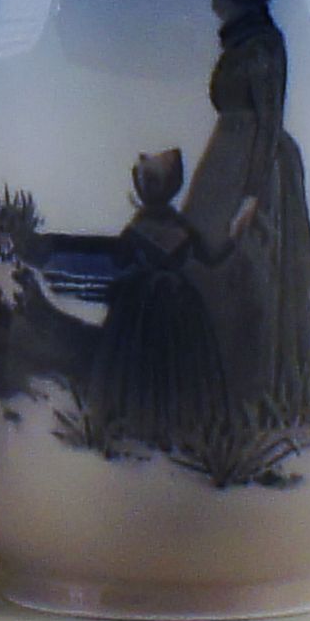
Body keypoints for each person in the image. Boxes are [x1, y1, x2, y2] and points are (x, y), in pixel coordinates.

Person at [181, 0, 310, 424]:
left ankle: (247, 392)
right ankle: (207, 385)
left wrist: (251, 195)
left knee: (248, 274)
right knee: (200, 262)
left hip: (253, 167)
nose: (212, 0)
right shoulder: (241, 42)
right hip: (226, 160)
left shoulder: (262, 46)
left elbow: (269, 120)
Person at [87, 149, 229, 451]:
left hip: (141, 303)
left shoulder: (138, 228)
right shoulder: (182, 227)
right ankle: (171, 428)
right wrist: (237, 230)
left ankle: (142, 425)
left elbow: (119, 259)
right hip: (178, 302)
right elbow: (211, 256)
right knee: (176, 365)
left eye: (148, 181)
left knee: (141, 363)